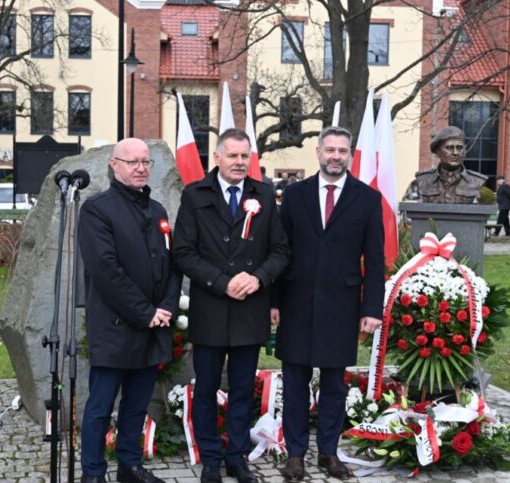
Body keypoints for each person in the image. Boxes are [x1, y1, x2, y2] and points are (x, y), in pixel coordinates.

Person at [172, 128, 290, 483]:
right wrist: (223, 283)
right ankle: (211, 458)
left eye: (245, 156)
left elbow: (281, 250)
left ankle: (236, 456)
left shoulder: (265, 195)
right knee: (206, 388)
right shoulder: (195, 196)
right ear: (218, 158)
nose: (240, 162)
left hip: (249, 310)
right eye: (233, 156)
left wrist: (257, 278)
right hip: (210, 308)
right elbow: (183, 253)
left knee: (241, 389)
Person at [272, 126, 385, 482]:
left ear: (350, 155)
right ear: (318, 152)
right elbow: (280, 251)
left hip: (342, 306)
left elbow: (376, 259)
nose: (336, 156)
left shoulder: (367, 198)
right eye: (330, 149)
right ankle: (295, 455)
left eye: (342, 150)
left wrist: (371, 309)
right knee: (294, 383)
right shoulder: (294, 195)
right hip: (296, 303)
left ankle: (328, 452)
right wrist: (273, 301)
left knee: (334, 386)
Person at [77, 138, 182, 483]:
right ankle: (93, 473)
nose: (140, 168)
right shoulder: (97, 210)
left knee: (137, 405)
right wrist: (144, 312)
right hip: (116, 325)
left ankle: (129, 466)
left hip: (153, 325)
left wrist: (166, 307)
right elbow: (105, 270)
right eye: (132, 161)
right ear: (114, 164)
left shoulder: (157, 212)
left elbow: (170, 266)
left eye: (146, 162)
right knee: (100, 407)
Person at [403, 126, 487, 203]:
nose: (455, 153)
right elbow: (406, 211)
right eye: (449, 148)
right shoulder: (422, 181)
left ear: (464, 152)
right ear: (437, 152)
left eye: (459, 148)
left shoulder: (478, 182)